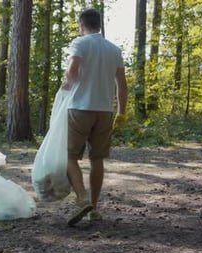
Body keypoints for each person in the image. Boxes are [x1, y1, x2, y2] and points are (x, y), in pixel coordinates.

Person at [61, 8, 128, 226]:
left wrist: (67, 85)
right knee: (97, 159)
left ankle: (82, 199)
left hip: (80, 107)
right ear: (99, 24)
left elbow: (72, 69)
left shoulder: (80, 43)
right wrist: (122, 112)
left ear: (82, 25)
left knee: (70, 157)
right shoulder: (114, 50)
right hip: (105, 111)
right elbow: (122, 85)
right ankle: (94, 208)